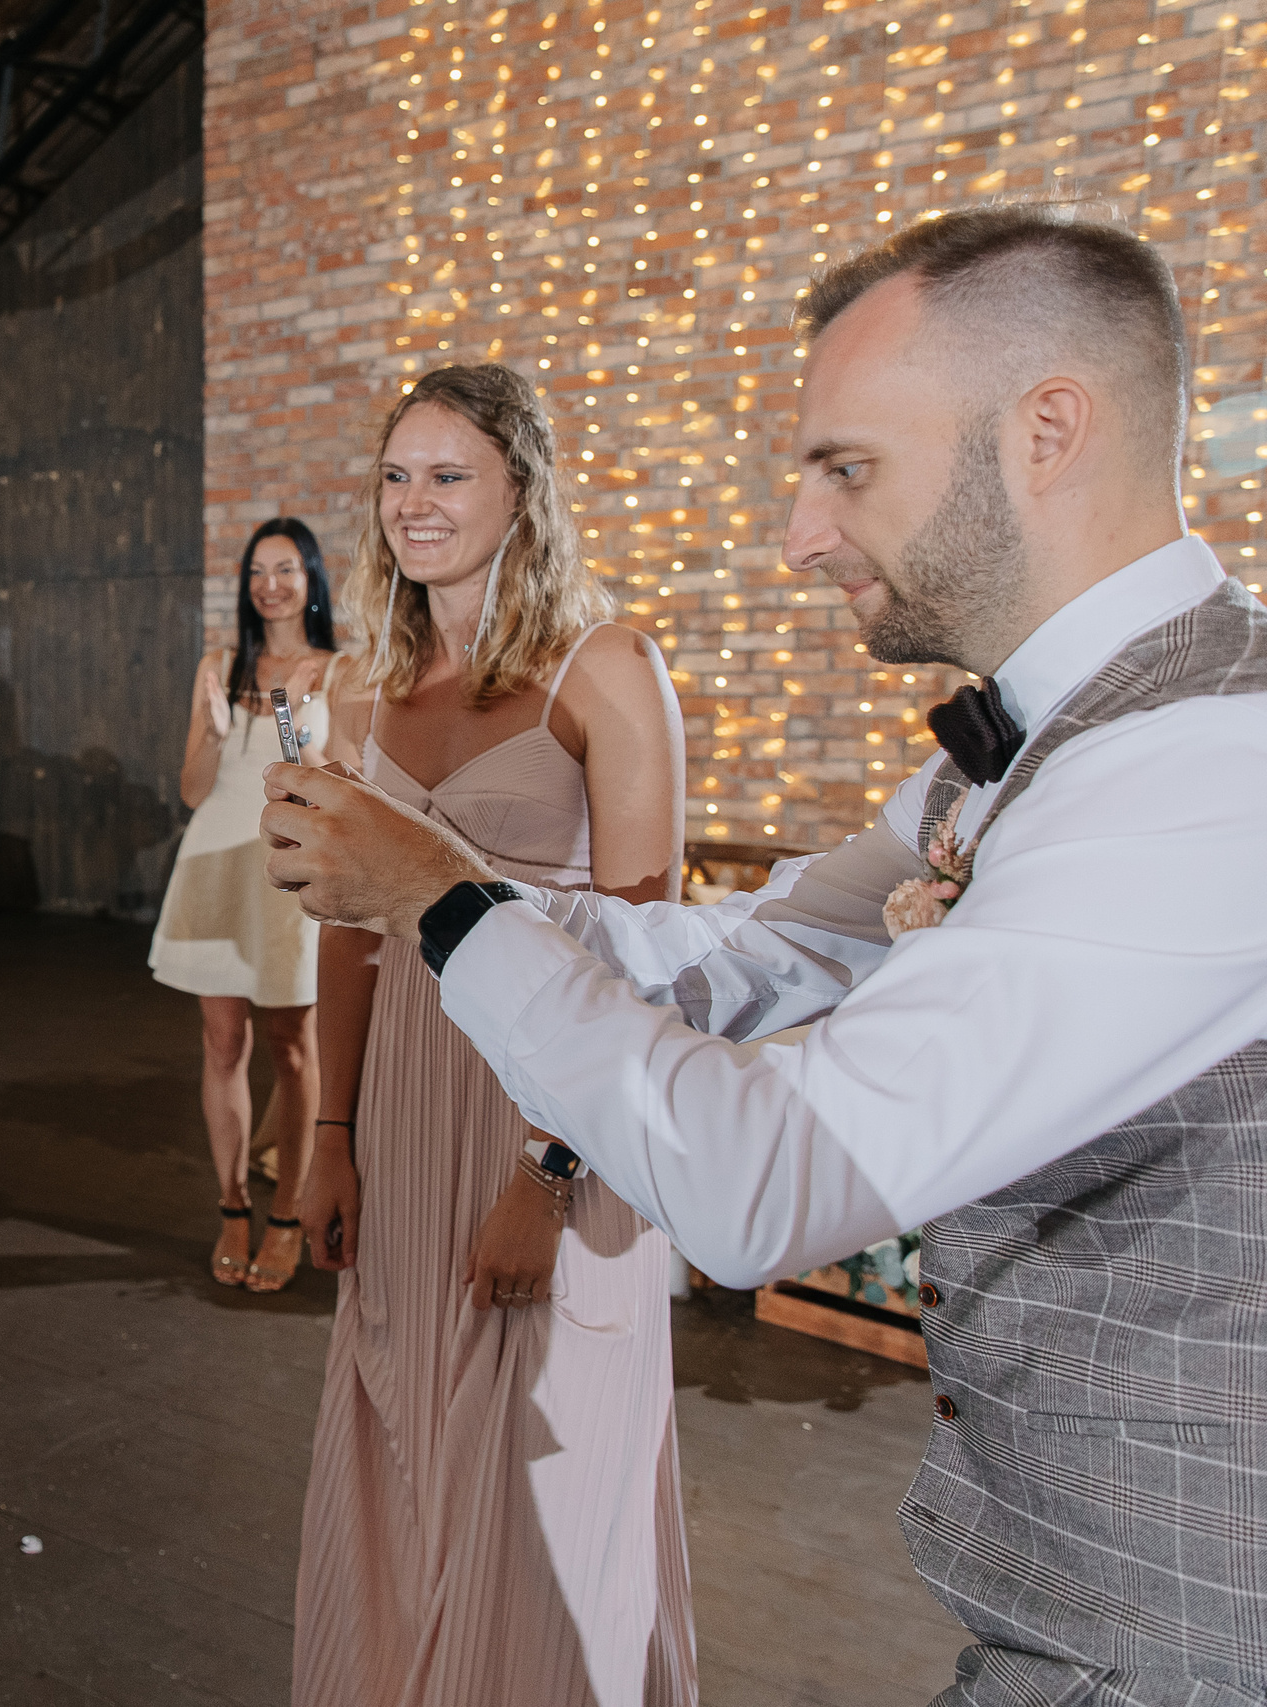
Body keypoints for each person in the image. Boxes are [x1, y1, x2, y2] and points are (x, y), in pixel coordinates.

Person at [263, 207, 1267, 1707]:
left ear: (1049, 430)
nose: (801, 532)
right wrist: (453, 889)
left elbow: (760, 1183)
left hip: (1183, 1630)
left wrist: (447, 909)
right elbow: (747, 946)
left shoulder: (1203, 767)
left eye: (846, 467)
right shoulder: (1009, 755)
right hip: (1052, 1594)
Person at [278, 365, 693, 1706]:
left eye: (449, 474)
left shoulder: (607, 668)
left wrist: (548, 1170)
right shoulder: (359, 690)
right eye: (398, 476)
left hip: (552, 1104)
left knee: (552, 1472)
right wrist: (329, 1136)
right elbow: (345, 933)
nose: (416, 504)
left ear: (523, 488)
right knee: (399, 1436)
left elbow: (647, 961)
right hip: (400, 1097)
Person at [147, 518, 340, 1293]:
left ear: (310, 577)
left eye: (286, 568)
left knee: (293, 1049)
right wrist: (216, 735)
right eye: (258, 570)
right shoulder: (219, 665)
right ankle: (232, 1204)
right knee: (221, 1042)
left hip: (287, 871)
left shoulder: (340, 670)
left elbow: (344, 785)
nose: (270, 583)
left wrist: (298, 740)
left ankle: (287, 1212)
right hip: (213, 866)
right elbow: (193, 790)